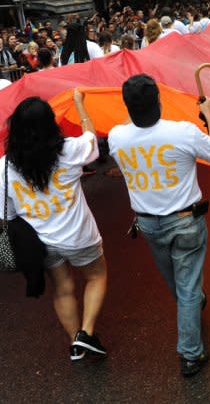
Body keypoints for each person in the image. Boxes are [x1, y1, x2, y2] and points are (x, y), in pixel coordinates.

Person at [108, 74, 210, 377]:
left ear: (128, 107)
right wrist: (209, 113)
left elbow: (127, 125)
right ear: (158, 101)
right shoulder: (182, 132)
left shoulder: (118, 138)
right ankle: (190, 354)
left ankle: (194, 304)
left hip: (149, 226)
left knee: (178, 284)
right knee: (186, 289)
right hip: (186, 222)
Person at [1, 91, 108, 361]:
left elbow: (9, 214)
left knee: (62, 289)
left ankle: (76, 344)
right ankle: (86, 332)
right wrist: (80, 104)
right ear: (51, 124)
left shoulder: (4, 167)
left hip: (43, 242)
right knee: (96, 276)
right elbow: (92, 141)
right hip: (81, 235)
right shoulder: (69, 150)